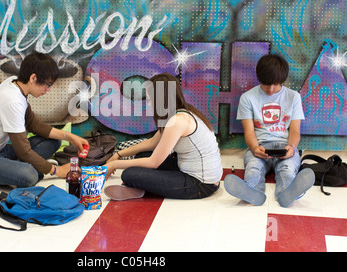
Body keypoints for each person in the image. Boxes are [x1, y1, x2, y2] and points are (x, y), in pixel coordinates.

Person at [0, 52, 89, 188]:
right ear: (33, 78)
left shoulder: (14, 83)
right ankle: (19, 172)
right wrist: (57, 171)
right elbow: (23, 151)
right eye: (47, 84)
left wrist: (70, 137)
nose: (48, 90)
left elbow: (34, 125)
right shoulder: (12, 101)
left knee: (53, 141)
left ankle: (14, 170)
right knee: (29, 175)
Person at [104, 73, 222, 200]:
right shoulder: (180, 111)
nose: (149, 104)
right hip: (191, 171)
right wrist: (119, 154)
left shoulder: (177, 121)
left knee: (129, 174)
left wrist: (114, 164)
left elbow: (153, 163)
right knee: (141, 156)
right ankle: (140, 188)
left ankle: (140, 188)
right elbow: (153, 142)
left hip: (201, 184)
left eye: (150, 100)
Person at [224, 54, 315, 207]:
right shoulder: (248, 98)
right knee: (253, 169)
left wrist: (292, 148)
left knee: (287, 170)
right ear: (259, 78)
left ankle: (287, 193)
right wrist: (254, 148)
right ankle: (251, 190)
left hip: (284, 147)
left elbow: (295, 131)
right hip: (259, 146)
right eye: (267, 84)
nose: (271, 89)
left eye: (276, 84)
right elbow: (249, 132)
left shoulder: (294, 97)